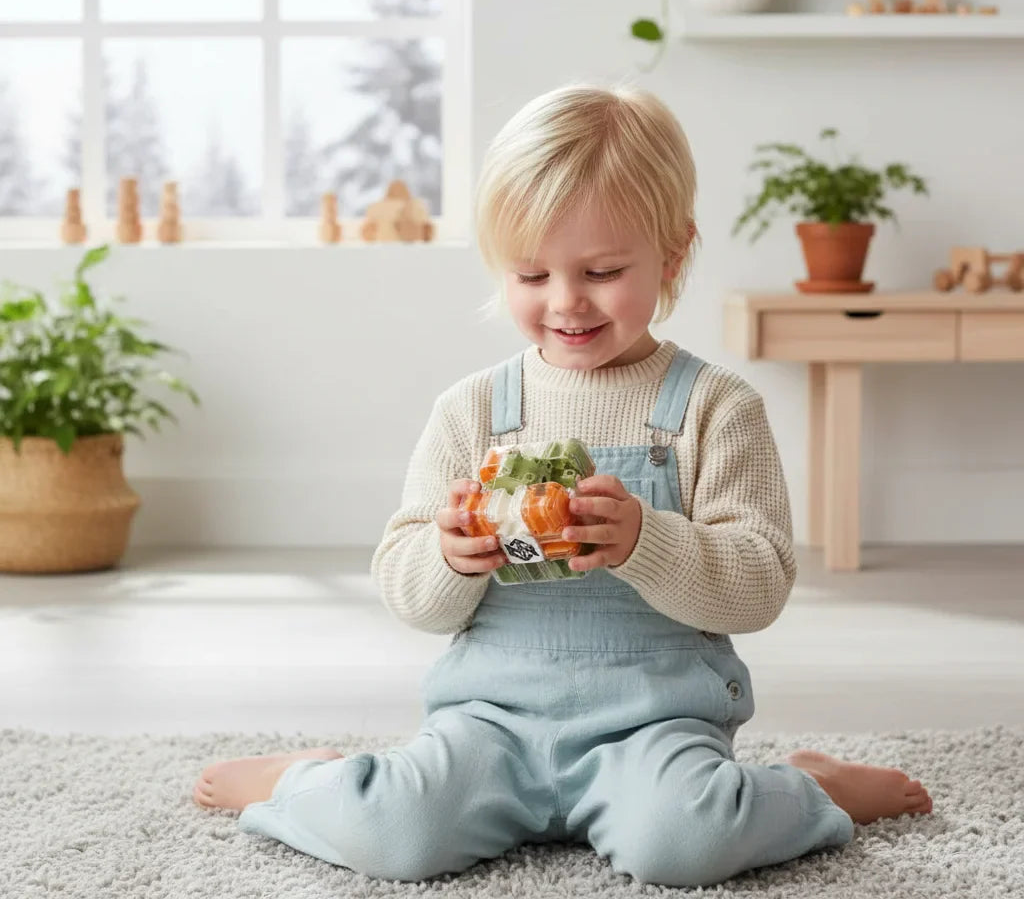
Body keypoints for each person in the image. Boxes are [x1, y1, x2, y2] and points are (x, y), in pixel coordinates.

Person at [193, 84, 932, 887]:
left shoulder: (714, 408)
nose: (566, 301)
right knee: (397, 834)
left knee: (684, 845)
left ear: (673, 256)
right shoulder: (473, 411)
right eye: (532, 274)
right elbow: (406, 590)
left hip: (653, 724)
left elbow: (758, 586)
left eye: (603, 270)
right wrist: (449, 558)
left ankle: (809, 789)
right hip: (490, 725)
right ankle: (305, 779)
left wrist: (647, 540)